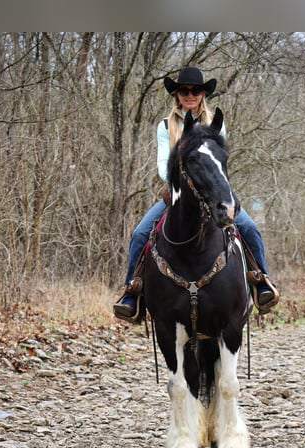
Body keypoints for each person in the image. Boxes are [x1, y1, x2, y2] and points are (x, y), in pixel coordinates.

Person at [113, 66, 279, 321]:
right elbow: (162, 162)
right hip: (178, 193)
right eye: (184, 91)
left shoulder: (215, 125)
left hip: (213, 190)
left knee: (250, 228)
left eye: (195, 90)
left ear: (203, 94)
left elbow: (219, 163)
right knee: (139, 234)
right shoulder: (166, 126)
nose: (190, 95)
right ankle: (131, 292)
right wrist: (176, 182)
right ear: (177, 94)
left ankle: (261, 282)